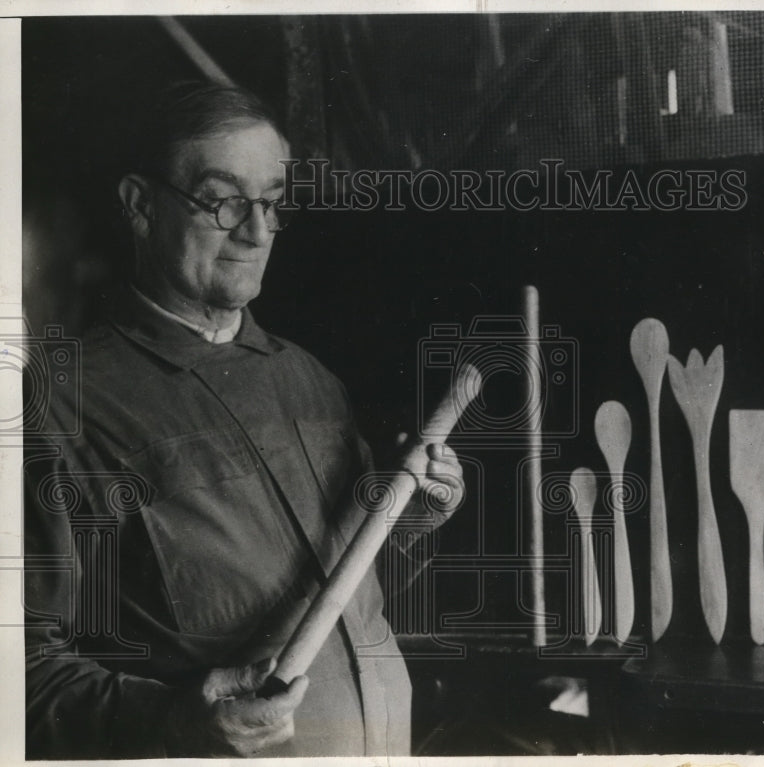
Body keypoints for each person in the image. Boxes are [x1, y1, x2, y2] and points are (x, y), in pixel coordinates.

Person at [23, 81, 465, 759]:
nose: (257, 231)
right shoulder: (60, 406)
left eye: (271, 203)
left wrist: (412, 511)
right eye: (223, 199)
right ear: (140, 204)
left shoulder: (310, 380)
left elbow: (331, 567)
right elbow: (19, 675)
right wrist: (171, 718)